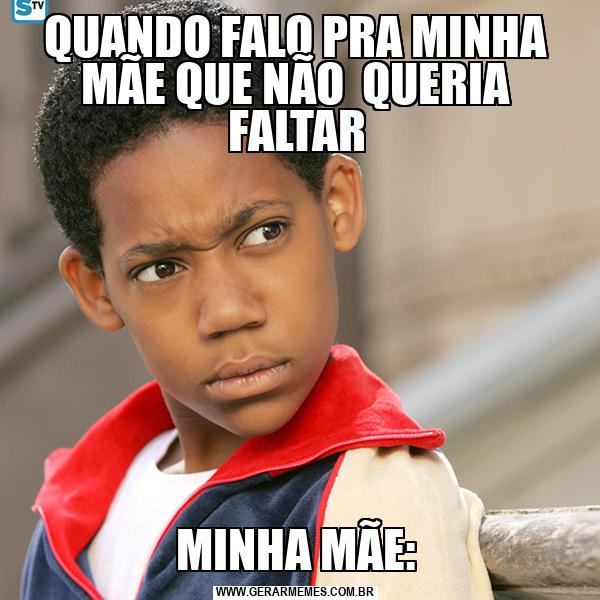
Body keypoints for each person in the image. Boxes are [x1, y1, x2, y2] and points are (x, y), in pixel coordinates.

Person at [21, 1, 493, 598]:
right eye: (162, 268)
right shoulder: (78, 509)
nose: (228, 312)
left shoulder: (372, 503)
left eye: (264, 233)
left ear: (337, 205)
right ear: (96, 289)